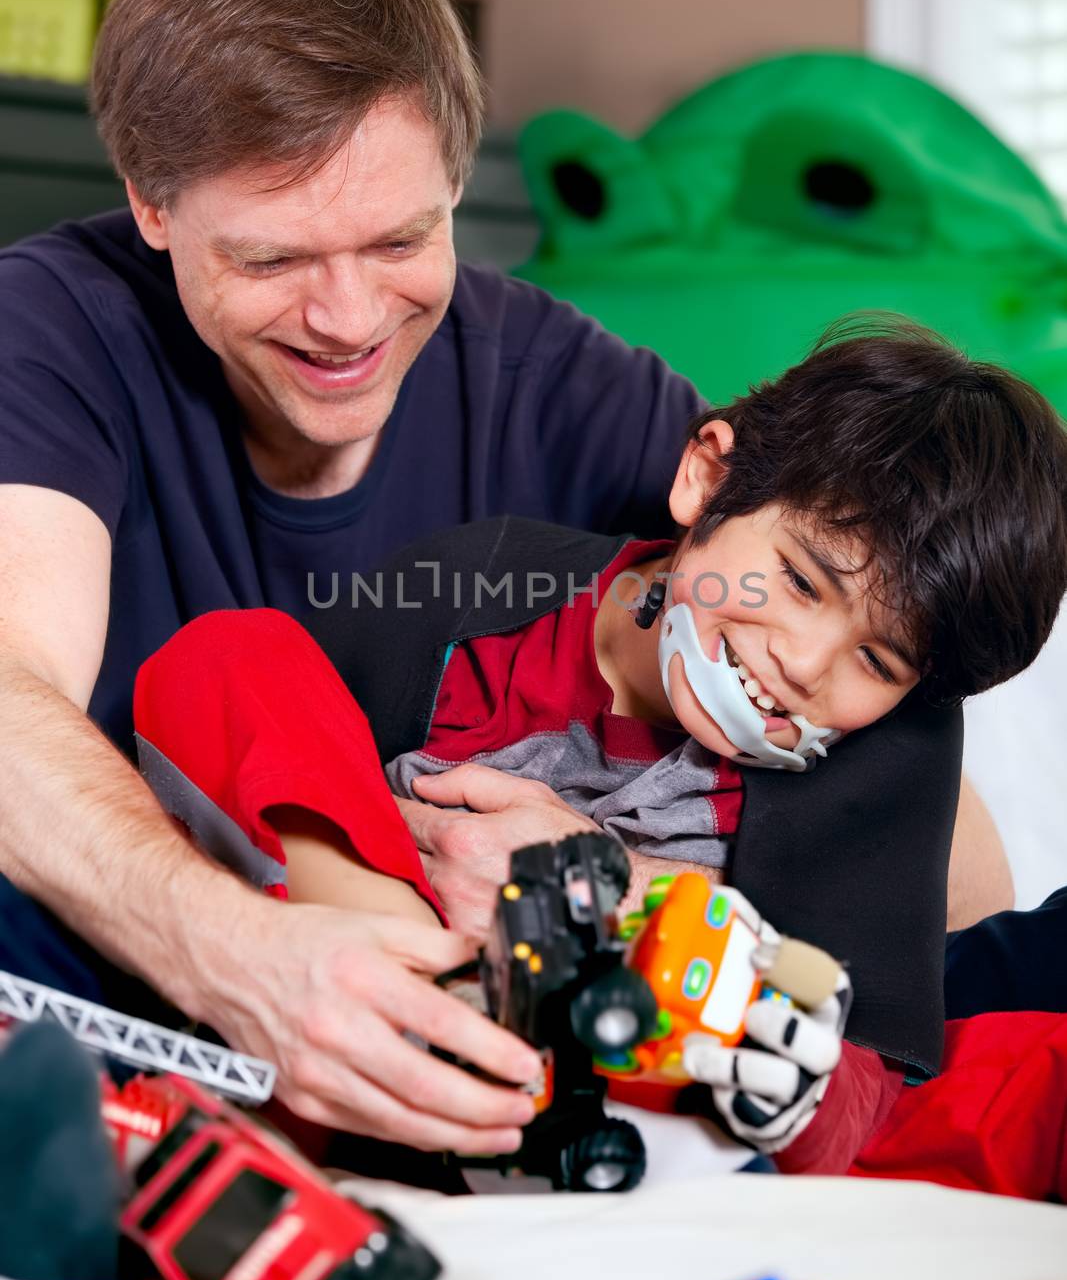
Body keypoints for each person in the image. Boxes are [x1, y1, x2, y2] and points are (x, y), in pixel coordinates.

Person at [0, 0, 710, 1156]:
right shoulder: (51, 332)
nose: (345, 318)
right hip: (134, 985)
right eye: (272, 259)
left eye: (400, 237)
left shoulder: (568, 390)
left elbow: (892, 712)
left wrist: (631, 885)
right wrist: (243, 960)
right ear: (150, 204)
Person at [133, 320, 1067, 1171]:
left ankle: (446, 1057)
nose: (805, 662)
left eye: (877, 658)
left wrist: (618, 891)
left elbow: (856, 1084)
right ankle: (425, 1019)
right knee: (231, 654)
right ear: (704, 476)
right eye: (797, 580)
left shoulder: (888, 752)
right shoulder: (487, 584)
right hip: (355, 987)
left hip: (619, 1101)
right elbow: (277, 752)